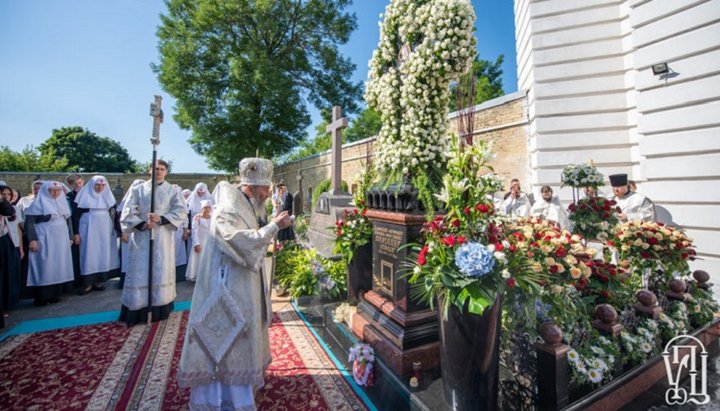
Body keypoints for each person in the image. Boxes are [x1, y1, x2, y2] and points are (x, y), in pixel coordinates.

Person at [178, 157, 292, 411]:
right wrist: (274, 226)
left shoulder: (245, 205)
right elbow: (240, 243)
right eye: (264, 188)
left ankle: (243, 388)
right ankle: (225, 398)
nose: (268, 192)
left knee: (243, 333)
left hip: (240, 282)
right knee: (228, 339)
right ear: (250, 188)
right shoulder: (229, 209)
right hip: (226, 287)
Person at [119, 160, 187, 326]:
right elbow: (127, 211)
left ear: (166, 172)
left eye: (162, 169)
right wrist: (142, 224)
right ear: (149, 170)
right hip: (142, 237)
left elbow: (181, 211)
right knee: (140, 270)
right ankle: (137, 309)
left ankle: (160, 308)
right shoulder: (138, 189)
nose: (158, 172)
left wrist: (161, 218)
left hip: (162, 236)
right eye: (155, 168)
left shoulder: (173, 190)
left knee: (160, 269)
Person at [24, 181, 75, 306]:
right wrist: (32, 239)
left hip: (61, 239)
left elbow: (68, 221)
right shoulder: (37, 204)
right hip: (44, 237)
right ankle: (41, 296)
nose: (55, 193)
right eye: (52, 190)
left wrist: (70, 236)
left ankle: (54, 294)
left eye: (58, 190)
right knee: (45, 265)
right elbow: (29, 222)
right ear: (46, 191)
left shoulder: (63, 203)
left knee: (58, 265)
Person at [73, 175, 120, 294]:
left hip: (104, 227)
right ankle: (87, 283)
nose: (100, 188)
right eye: (97, 185)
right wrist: (76, 233)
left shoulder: (108, 197)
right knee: (88, 253)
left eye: (103, 185)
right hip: (88, 227)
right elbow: (75, 216)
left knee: (102, 253)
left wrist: (117, 230)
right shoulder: (83, 197)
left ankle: (99, 280)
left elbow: (115, 214)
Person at [117, 179, 145, 289]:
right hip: (128, 233)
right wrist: (122, 232)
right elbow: (120, 218)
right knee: (128, 257)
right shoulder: (126, 202)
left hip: (141, 233)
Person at [1, 186, 20, 325]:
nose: (7, 196)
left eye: (9, 194)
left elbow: (9, 212)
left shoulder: (4, 205)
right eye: (4, 194)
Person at [185, 199, 213, 282]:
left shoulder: (212, 218)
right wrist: (196, 244)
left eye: (209, 207)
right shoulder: (197, 218)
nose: (207, 209)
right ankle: (198, 277)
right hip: (200, 241)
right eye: (205, 208)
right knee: (199, 259)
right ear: (201, 208)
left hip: (210, 242)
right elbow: (194, 231)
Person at [66, 174, 85, 286]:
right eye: (74, 184)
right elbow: (72, 217)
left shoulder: (89, 195)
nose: (78, 185)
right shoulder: (69, 197)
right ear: (70, 185)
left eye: (79, 183)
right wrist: (75, 233)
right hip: (75, 228)